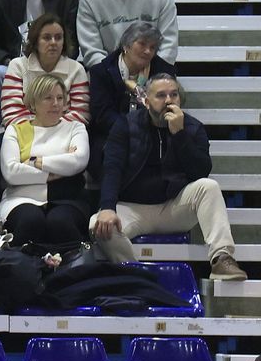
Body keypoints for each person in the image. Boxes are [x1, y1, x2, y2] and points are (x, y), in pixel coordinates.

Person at [91, 73, 247, 280]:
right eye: (161, 95)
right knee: (98, 225)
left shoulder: (192, 127)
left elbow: (200, 172)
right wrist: (108, 208)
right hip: (133, 208)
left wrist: (180, 135)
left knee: (208, 186)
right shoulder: (125, 125)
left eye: (174, 95)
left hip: (174, 207)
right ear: (146, 101)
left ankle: (222, 258)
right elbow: (112, 168)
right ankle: (135, 276)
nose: (168, 101)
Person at [0, 73, 92, 247]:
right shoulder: (15, 130)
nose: (56, 103)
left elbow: (78, 161)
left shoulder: (75, 127)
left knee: (60, 222)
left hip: (68, 197)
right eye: (48, 98)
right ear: (33, 103)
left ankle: (75, 262)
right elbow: (11, 172)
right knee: (31, 221)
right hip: (21, 198)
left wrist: (33, 161)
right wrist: (57, 169)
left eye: (60, 98)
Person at [86, 20, 176, 177]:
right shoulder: (101, 72)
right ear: (126, 46)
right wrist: (129, 132)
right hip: (111, 135)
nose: (147, 51)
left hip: (152, 135)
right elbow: (102, 115)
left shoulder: (163, 72)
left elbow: (166, 110)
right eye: (142, 44)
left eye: (152, 47)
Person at [0, 13, 89, 128]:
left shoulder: (76, 69)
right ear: (35, 41)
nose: (53, 42)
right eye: (47, 38)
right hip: (24, 132)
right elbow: (12, 112)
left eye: (58, 37)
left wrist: (53, 131)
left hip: (65, 133)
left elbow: (80, 114)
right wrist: (37, 131)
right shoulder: (18, 66)